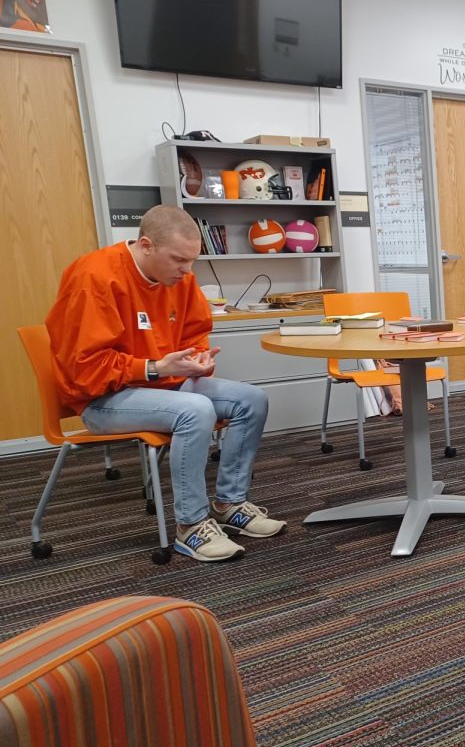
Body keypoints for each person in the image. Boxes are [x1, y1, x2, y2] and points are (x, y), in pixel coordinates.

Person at [45, 205, 285, 562]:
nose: (187, 271)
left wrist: (198, 360)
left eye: (192, 261)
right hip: (102, 400)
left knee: (252, 399)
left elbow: (194, 331)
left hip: (165, 386)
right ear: (146, 246)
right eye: (178, 260)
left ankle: (230, 503)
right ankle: (190, 526)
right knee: (196, 410)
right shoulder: (92, 278)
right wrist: (154, 367)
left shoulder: (180, 278)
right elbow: (84, 368)